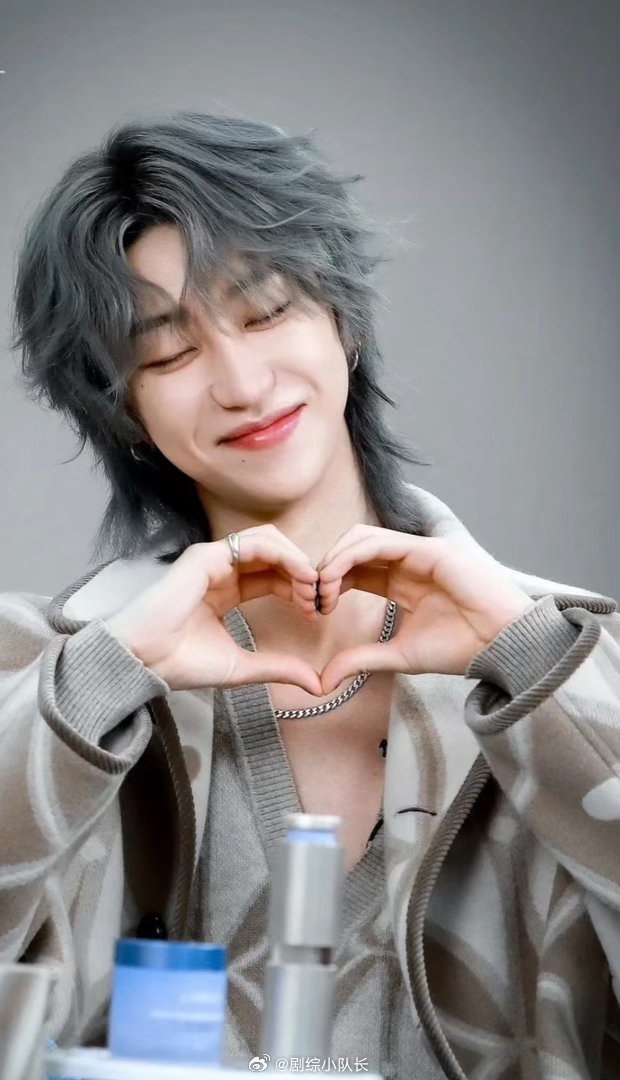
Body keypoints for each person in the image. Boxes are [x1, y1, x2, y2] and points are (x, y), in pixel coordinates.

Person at [1, 111, 619, 1080]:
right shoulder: (40, 670)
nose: (242, 383)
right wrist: (99, 682)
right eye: (167, 354)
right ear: (120, 410)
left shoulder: (578, 657)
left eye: (265, 311)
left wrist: (539, 669)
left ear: (346, 320)